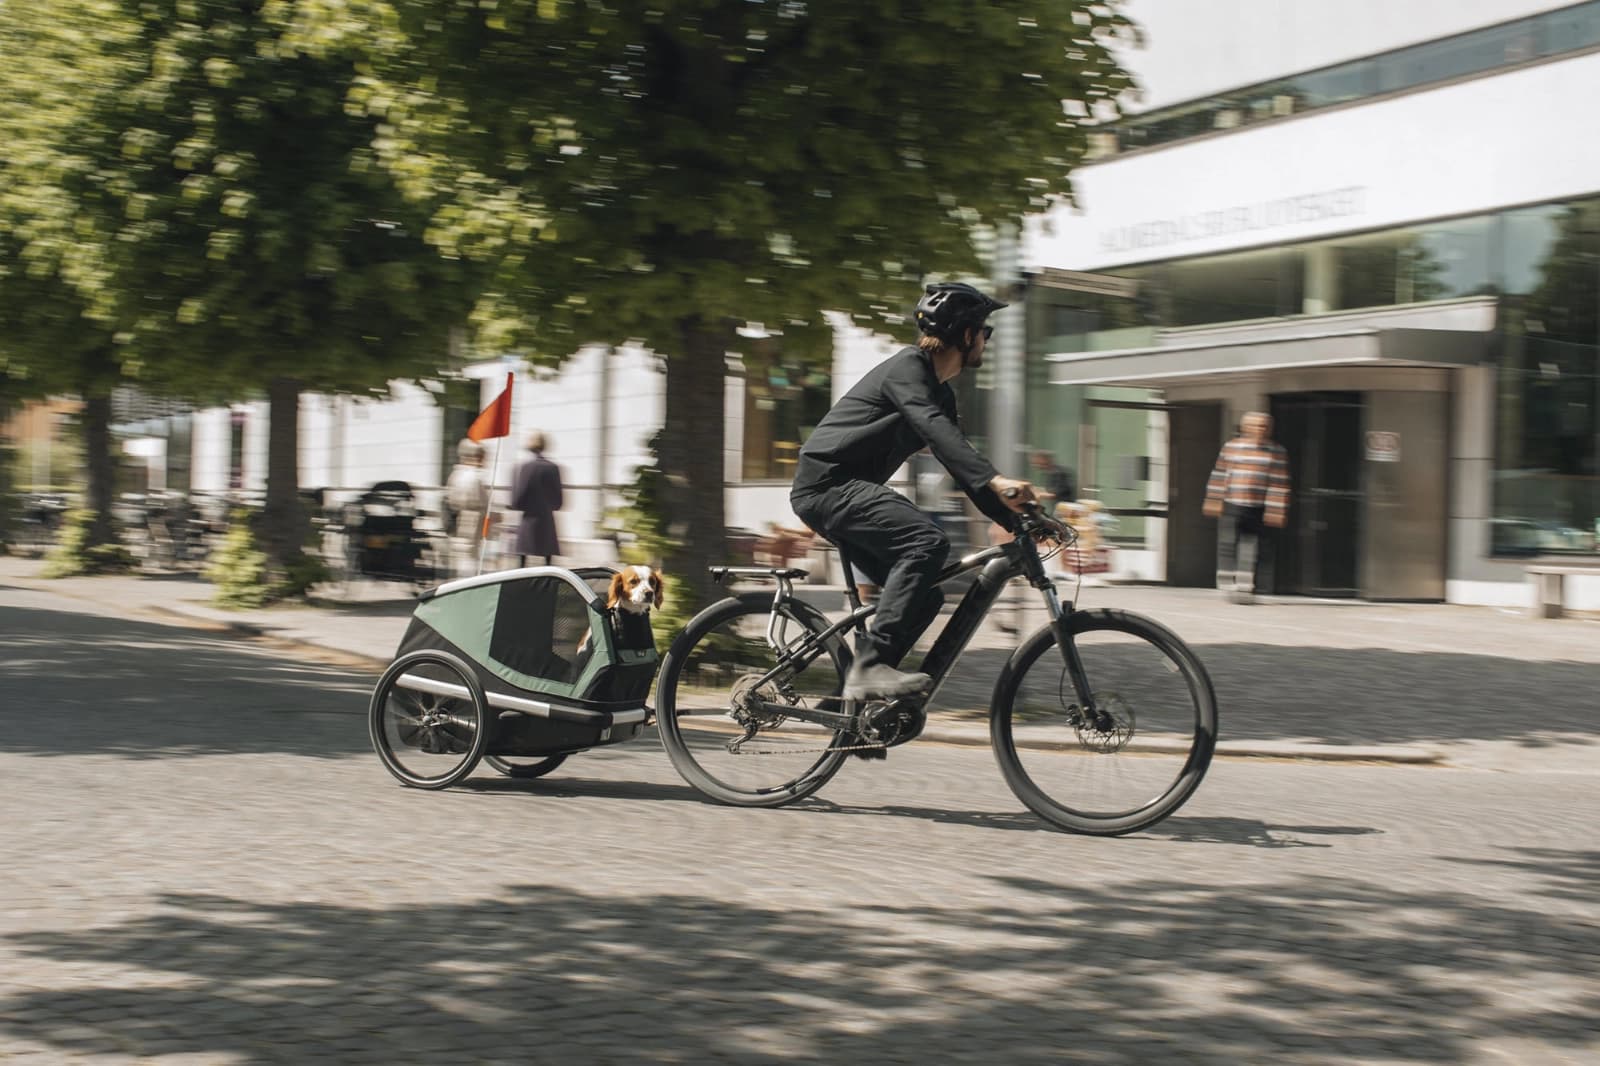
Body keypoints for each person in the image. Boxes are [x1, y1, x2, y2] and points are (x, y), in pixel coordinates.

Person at [790, 281, 1035, 707]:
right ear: (964, 334)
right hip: (826, 485)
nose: (986, 342)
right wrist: (998, 478)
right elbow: (933, 427)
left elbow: (956, 458)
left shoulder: (939, 392)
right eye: (985, 333)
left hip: (846, 490)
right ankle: (870, 668)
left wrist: (1021, 521)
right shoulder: (909, 368)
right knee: (926, 542)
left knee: (925, 597)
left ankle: (852, 709)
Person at [1203, 411, 1290, 604]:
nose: (1261, 430)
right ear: (1246, 427)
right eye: (1257, 426)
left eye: (1265, 426)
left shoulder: (1277, 451)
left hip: (1258, 505)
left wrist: (1276, 509)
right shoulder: (1232, 448)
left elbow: (1279, 482)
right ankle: (1226, 581)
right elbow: (1219, 474)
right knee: (1228, 542)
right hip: (1233, 501)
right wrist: (1214, 499)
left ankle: (1246, 583)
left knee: (1255, 544)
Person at [511, 430, 563, 567]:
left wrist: (517, 505)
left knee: (523, 561)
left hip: (529, 519)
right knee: (547, 560)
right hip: (546, 519)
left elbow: (519, 496)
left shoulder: (525, 467)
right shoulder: (553, 468)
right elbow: (558, 500)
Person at [444, 438, 491, 577]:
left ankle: (460, 580)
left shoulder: (456, 474)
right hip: (473, 520)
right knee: (471, 555)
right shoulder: (475, 477)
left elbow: (450, 497)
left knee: (461, 553)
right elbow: (483, 501)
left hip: (458, 517)